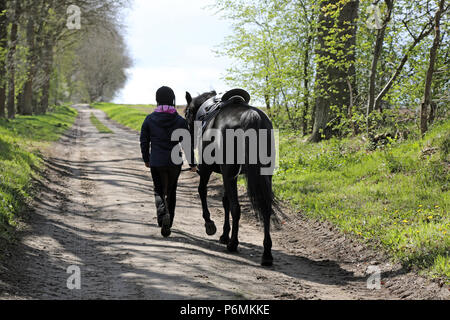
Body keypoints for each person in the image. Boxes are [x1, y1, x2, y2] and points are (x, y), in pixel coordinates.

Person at [140, 86, 197, 237]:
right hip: (174, 162)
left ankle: (161, 215)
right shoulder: (179, 120)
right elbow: (187, 143)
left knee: (158, 190)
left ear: (157, 100)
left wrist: (146, 159)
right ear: (172, 100)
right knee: (171, 191)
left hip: (156, 161)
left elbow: (144, 141)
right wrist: (192, 163)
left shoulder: (149, 119)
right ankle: (169, 221)